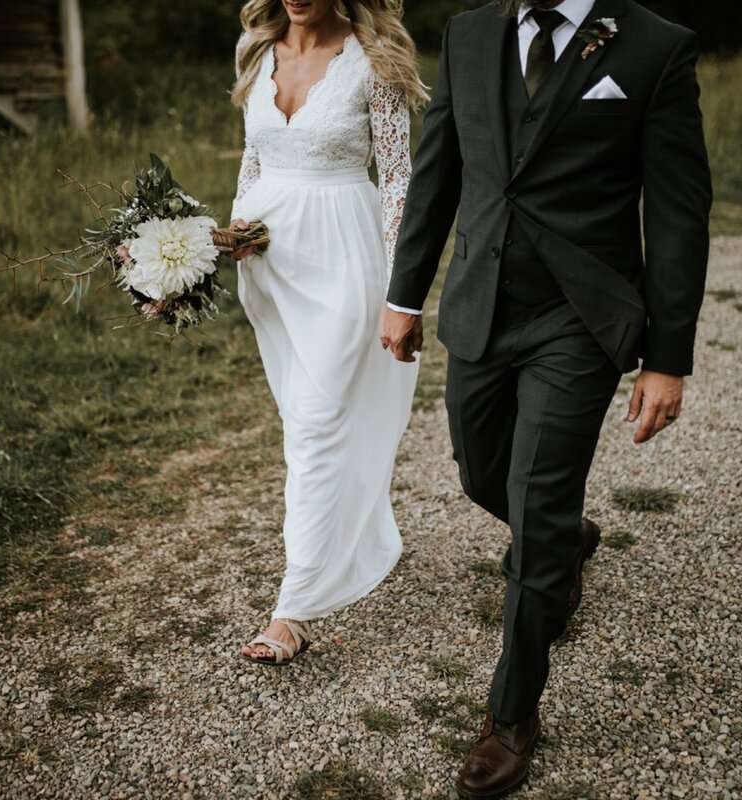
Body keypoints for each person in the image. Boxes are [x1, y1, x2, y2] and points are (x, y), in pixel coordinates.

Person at [379, 0, 711, 796]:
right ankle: (558, 541)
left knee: (535, 498)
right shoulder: (469, 34)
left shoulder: (656, 49)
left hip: (581, 314)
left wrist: (668, 357)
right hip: (481, 304)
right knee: (478, 471)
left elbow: (676, 211)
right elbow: (439, 172)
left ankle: (512, 713)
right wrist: (404, 293)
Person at [229, 0, 428, 665]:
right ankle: (368, 537)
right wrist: (227, 238)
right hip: (268, 264)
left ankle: (293, 610)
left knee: (315, 421)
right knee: (303, 418)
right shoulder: (255, 50)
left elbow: (398, 175)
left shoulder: (373, 60)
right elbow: (253, 161)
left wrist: (403, 289)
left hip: (345, 256)